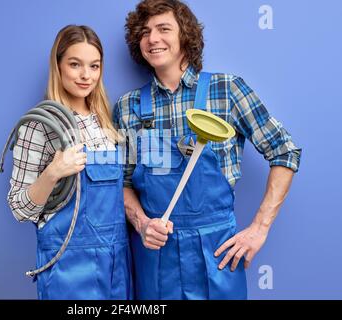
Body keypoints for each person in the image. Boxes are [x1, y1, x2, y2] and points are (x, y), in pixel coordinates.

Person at [113, 0, 301, 300]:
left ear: (185, 35)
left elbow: (285, 151)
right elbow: (120, 183)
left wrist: (259, 228)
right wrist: (142, 223)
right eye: (145, 32)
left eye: (164, 29)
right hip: (156, 258)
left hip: (217, 253)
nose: (153, 38)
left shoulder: (227, 90)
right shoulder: (128, 107)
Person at [7, 25, 133, 300]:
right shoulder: (39, 126)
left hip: (115, 259)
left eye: (94, 66)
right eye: (75, 64)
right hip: (69, 264)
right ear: (58, 65)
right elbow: (19, 208)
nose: (86, 75)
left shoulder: (106, 124)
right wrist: (53, 173)